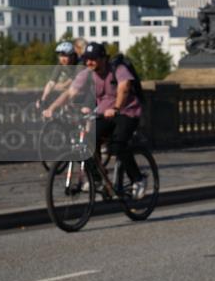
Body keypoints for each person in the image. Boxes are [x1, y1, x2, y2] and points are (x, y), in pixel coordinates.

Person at [43, 42, 145, 197]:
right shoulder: (87, 72)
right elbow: (71, 92)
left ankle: (138, 179)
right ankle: (97, 179)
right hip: (103, 114)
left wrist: (116, 108)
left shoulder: (118, 68)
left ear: (104, 58)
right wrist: (52, 108)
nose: (89, 62)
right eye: (86, 59)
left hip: (127, 112)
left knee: (117, 146)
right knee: (87, 143)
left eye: (93, 59)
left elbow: (124, 87)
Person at [37, 41, 80, 109]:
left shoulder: (80, 63)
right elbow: (51, 82)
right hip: (75, 86)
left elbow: (75, 79)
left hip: (88, 87)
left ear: (72, 56)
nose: (62, 59)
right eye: (60, 56)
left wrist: (62, 85)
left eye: (65, 56)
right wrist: (43, 99)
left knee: (68, 92)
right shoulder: (61, 64)